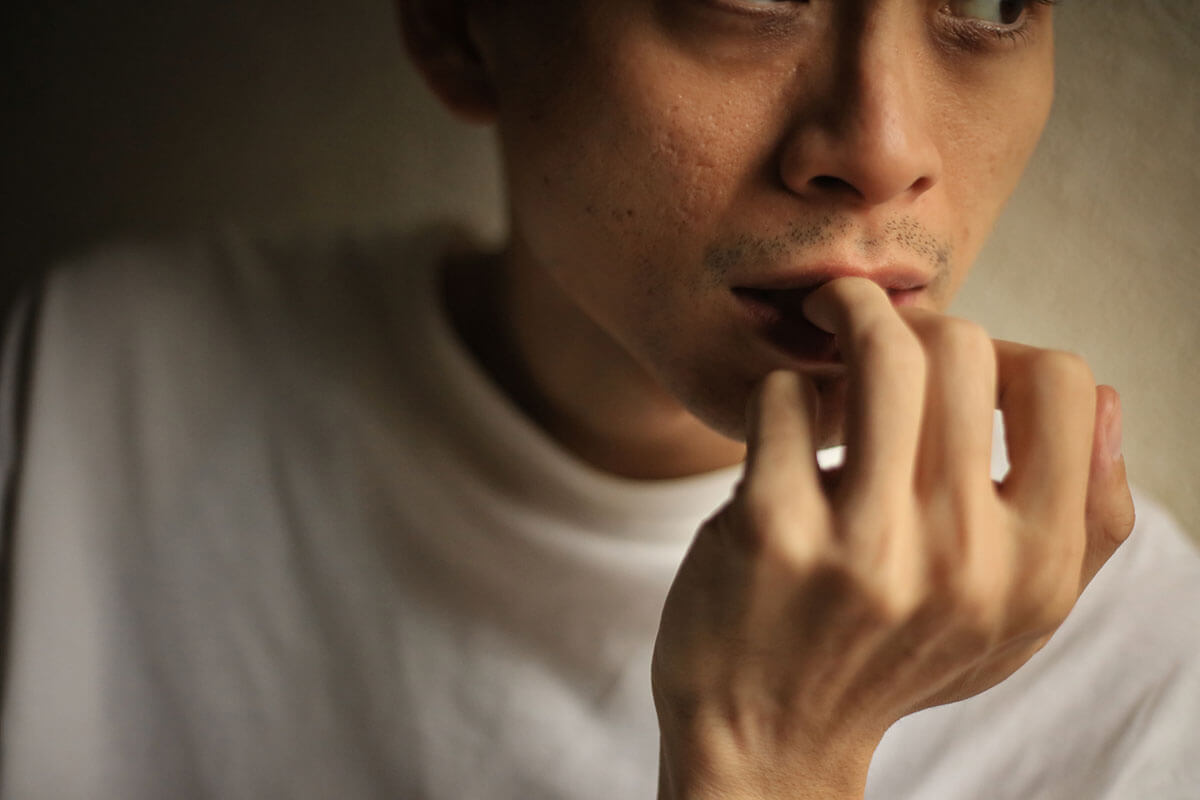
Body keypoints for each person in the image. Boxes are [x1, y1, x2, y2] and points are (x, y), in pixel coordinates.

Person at [2, 0, 1198, 798]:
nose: (882, 148)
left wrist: (773, 756)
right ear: (462, 27)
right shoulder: (92, 389)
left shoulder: (1152, 670)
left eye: (989, 0)